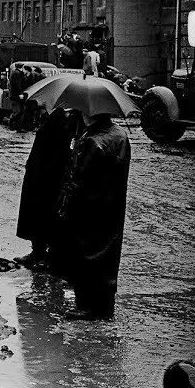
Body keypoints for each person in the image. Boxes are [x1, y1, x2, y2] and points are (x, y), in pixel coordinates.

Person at [52, 111, 132, 320]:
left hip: (87, 208)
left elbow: (77, 178)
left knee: (84, 254)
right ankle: (105, 305)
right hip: (111, 207)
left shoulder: (89, 141)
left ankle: (87, 305)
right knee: (108, 255)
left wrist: (63, 206)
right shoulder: (120, 135)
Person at [14, 107, 80, 269]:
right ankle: (37, 251)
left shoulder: (72, 118)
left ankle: (51, 256)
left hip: (54, 174)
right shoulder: (56, 114)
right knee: (36, 212)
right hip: (38, 172)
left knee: (51, 213)